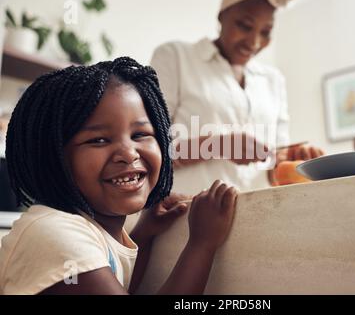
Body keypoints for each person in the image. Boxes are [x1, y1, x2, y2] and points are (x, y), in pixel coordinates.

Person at [0, 57, 238, 295]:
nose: (128, 153)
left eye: (140, 134)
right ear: (51, 156)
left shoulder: (89, 231)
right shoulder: (56, 234)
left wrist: (142, 237)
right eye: (99, 140)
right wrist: (201, 244)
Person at [151, 0, 324, 195]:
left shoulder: (273, 80)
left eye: (266, 32)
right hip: (186, 215)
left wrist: (292, 159)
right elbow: (148, 151)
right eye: (244, 26)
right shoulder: (175, 57)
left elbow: (272, 171)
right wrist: (215, 145)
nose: (254, 42)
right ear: (222, 16)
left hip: (259, 214)